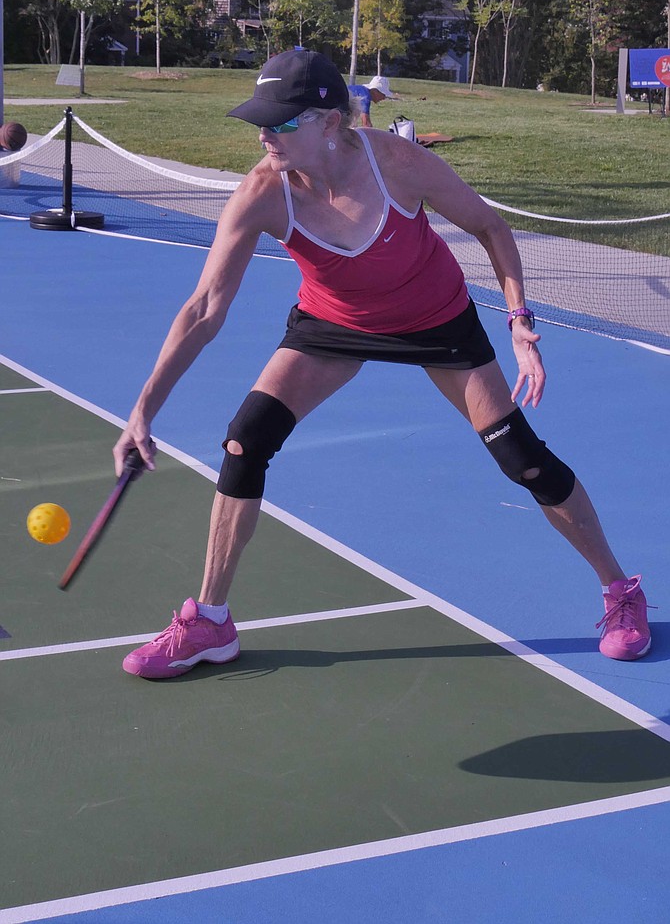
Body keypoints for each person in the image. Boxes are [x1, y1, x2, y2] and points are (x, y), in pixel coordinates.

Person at [114, 49, 651, 679]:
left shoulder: (397, 163)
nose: (265, 134)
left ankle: (622, 591)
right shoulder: (263, 193)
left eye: (282, 123)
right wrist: (142, 412)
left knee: (522, 458)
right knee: (244, 442)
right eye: (261, 121)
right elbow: (204, 308)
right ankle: (209, 620)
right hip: (334, 324)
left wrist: (520, 323)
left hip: (438, 322)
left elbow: (491, 227)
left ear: (329, 122)